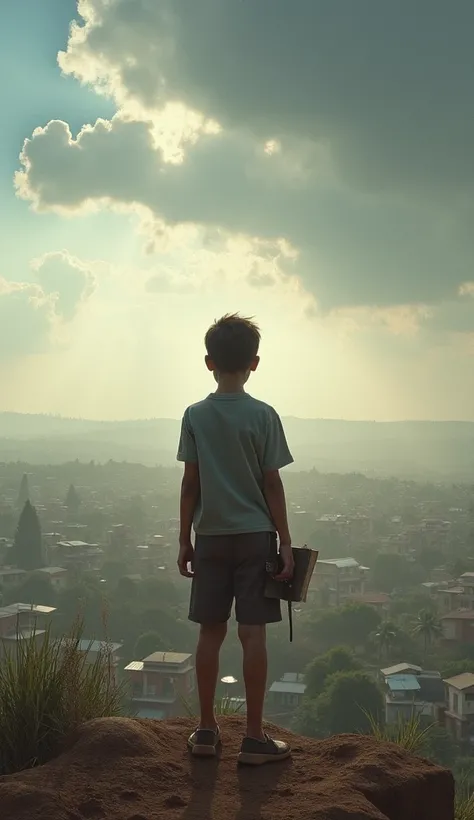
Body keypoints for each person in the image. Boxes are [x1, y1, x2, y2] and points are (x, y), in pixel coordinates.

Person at [177, 313, 294, 766]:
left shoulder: (195, 415)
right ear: (255, 363)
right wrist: (285, 541)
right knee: (253, 633)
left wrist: (184, 538)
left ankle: (206, 731)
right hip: (255, 537)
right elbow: (272, 484)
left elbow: (190, 483)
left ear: (209, 363)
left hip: (210, 536)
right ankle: (254, 738)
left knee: (210, 630)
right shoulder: (264, 415)